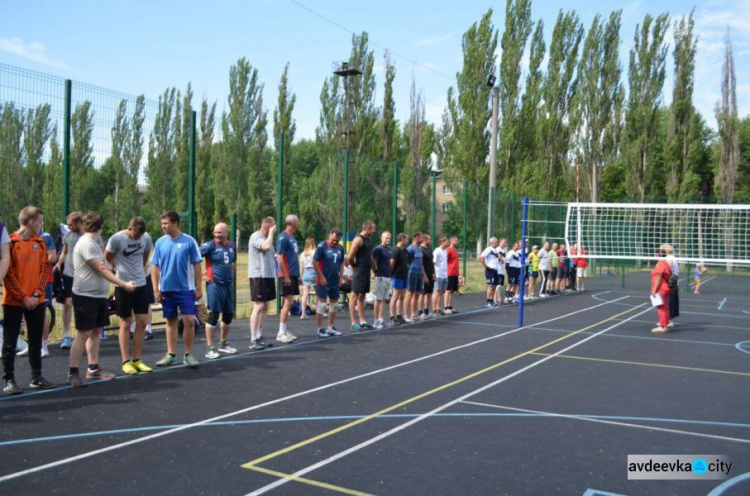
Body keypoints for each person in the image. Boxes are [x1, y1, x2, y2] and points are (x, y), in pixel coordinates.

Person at [67, 212, 136, 386]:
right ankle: (73, 372)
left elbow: (108, 266)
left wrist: (108, 268)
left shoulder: (96, 244)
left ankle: (93, 368)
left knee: (96, 331)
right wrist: (124, 284)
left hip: (98, 296)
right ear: (101, 227)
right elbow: (102, 269)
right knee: (83, 333)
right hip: (85, 296)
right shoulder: (87, 244)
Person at [2, 207, 56, 394]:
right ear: (31, 222)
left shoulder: (40, 243)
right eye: (40, 222)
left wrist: (34, 295)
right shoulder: (10, 242)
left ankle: (36, 376)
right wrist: (23, 297)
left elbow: (44, 270)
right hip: (13, 301)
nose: (41, 226)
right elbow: (7, 274)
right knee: (9, 342)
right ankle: (9, 380)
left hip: (36, 300)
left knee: (35, 339)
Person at [151, 211, 203, 368]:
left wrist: (199, 287)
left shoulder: (189, 241)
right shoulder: (160, 242)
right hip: (166, 289)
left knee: (189, 320)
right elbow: (155, 266)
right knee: (170, 321)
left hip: (186, 289)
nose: (163, 227)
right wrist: (155, 289)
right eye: (162, 224)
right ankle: (171, 355)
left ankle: (188, 355)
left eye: (166, 223)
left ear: (175, 223)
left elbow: (197, 266)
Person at [105, 217, 154, 374]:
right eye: (135, 235)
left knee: (142, 322)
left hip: (141, 285)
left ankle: (137, 359)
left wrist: (140, 269)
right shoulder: (117, 239)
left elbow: (146, 255)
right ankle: (126, 361)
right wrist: (117, 276)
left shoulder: (145, 238)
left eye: (140, 236)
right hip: (123, 286)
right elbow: (106, 260)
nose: (138, 238)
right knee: (126, 322)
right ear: (129, 228)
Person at [199, 222, 237, 359]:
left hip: (228, 286)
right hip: (215, 285)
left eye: (219, 233)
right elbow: (192, 258)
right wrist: (201, 276)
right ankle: (210, 348)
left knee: (228, 315)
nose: (217, 235)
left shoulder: (232, 246)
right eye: (215, 233)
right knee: (214, 315)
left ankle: (223, 344)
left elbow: (234, 262)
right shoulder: (210, 245)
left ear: (227, 232)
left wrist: (231, 274)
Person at [55, 212, 84, 350]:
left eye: (71, 224)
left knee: (82, 305)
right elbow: (64, 252)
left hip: (83, 275)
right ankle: (66, 335)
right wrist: (58, 264)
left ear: (79, 223)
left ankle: (82, 335)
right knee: (68, 303)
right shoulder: (67, 235)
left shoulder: (88, 236)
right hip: (68, 274)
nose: (69, 226)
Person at [248, 217, 277, 350]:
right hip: (258, 275)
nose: (275, 229)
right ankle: (253, 339)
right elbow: (265, 247)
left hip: (268, 276)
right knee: (259, 306)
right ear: (267, 226)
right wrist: (271, 232)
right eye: (273, 226)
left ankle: (259, 335)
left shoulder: (268, 239)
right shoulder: (256, 236)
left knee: (265, 306)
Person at [313, 228, 345, 338]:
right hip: (323, 281)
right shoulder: (322, 246)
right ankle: (320, 328)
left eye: (337, 240)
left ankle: (331, 327)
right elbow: (315, 262)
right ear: (329, 235)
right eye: (333, 239)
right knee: (321, 304)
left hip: (334, 281)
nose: (334, 242)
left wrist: (341, 278)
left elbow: (341, 263)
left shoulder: (340, 248)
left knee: (334, 304)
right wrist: (321, 277)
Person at [276, 214, 301, 344]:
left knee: (290, 302)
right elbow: (279, 257)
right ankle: (281, 332)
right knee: (286, 303)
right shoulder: (283, 237)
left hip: (292, 274)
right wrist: (285, 275)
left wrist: (298, 276)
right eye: (298, 221)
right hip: (286, 275)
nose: (299, 223)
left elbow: (293, 259)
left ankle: (285, 330)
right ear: (292, 223)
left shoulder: (292, 238)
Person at [348, 221, 376, 331]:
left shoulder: (368, 240)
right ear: (368, 228)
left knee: (362, 296)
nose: (374, 231)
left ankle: (362, 321)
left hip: (366, 271)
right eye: (373, 229)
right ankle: (353, 323)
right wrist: (354, 266)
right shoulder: (358, 239)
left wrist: (374, 270)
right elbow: (350, 256)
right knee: (354, 295)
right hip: (359, 271)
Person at [371, 231, 393, 329]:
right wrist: (375, 272)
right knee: (378, 299)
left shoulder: (389, 250)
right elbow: (373, 262)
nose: (388, 240)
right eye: (386, 238)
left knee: (384, 299)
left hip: (388, 277)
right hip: (380, 276)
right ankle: (375, 321)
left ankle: (381, 319)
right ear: (381, 238)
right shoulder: (378, 249)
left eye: (389, 238)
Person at [650, 244, 673, 334]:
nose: (654, 256)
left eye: (655, 254)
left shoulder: (661, 264)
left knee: (661, 307)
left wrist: (654, 291)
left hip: (662, 288)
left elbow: (658, 279)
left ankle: (662, 326)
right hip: (666, 288)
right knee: (665, 307)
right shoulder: (665, 263)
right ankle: (665, 325)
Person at [404, 233, 426, 323]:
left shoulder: (420, 249)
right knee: (409, 294)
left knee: (417, 294)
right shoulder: (410, 249)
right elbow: (405, 261)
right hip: (412, 273)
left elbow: (421, 263)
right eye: (421, 237)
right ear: (416, 238)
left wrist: (424, 275)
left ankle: (413, 314)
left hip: (419, 273)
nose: (422, 239)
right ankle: (405, 315)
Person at [390, 233, 409, 325]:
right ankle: (392, 316)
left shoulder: (405, 250)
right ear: (402, 239)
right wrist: (391, 275)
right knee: (395, 295)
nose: (407, 241)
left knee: (402, 296)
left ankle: (399, 315)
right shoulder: (395, 250)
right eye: (406, 239)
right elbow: (392, 264)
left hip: (404, 276)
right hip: (396, 276)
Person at [299, 237, 317, 320]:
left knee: (305, 294)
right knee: (319, 293)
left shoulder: (303, 254)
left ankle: (303, 313)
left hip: (306, 273)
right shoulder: (315, 252)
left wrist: (301, 276)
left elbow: (301, 266)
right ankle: (320, 311)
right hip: (314, 272)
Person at [480, 237, 500, 308]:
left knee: (494, 286)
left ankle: (491, 301)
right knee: (490, 286)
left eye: (497, 242)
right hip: (490, 270)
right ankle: (488, 301)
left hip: (495, 270)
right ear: (492, 242)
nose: (497, 243)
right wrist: (486, 266)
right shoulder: (489, 249)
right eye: (496, 242)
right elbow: (481, 257)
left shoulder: (496, 250)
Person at [420, 234, 435, 319]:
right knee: (422, 294)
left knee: (429, 293)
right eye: (430, 239)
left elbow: (432, 262)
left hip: (430, 274)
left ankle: (426, 311)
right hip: (424, 275)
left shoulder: (429, 249)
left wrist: (434, 273)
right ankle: (420, 312)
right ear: (425, 240)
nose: (431, 240)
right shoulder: (421, 250)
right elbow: (421, 264)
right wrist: (424, 276)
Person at [432, 237, 449, 315]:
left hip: (444, 275)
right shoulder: (437, 251)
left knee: (441, 292)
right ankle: (434, 309)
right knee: (436, 292)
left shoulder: (445, 251)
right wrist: (434, 273)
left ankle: (438, 308)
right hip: (438, 274)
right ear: (442, 242)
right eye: (447, 242)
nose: (448, 243)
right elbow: (433, 263)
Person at [664, 245, 679, 329]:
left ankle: (669, 321)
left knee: (669, 301)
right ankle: (668, 320)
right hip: (674, 280)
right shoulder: (673, 258)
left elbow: (668, 268)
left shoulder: (669, 259)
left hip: (670, 281)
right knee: (670, 300)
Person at [445, 236, 460, 314]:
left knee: (452, 290)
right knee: (447, 290)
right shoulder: (448, 250)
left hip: (455, 273)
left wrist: (458, 274)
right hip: (449, 273)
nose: (457, 241)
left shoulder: (455, 250)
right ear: (451, 241)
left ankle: (450, 306)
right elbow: (445, 262)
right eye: (456, 240)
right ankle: (446, 307)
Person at [494, 238, 507, 305]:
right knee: (498, 285)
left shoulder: (504, 250)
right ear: (500, 242)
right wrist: (501, 260)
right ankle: (496, 299)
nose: (504, 244)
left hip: (502, 270)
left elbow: (504, 259)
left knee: (500, 285)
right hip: (498, 270)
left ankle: (499, 298)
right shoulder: (497, 249)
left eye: (505, 242)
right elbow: (498, 257)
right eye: (503, 242)